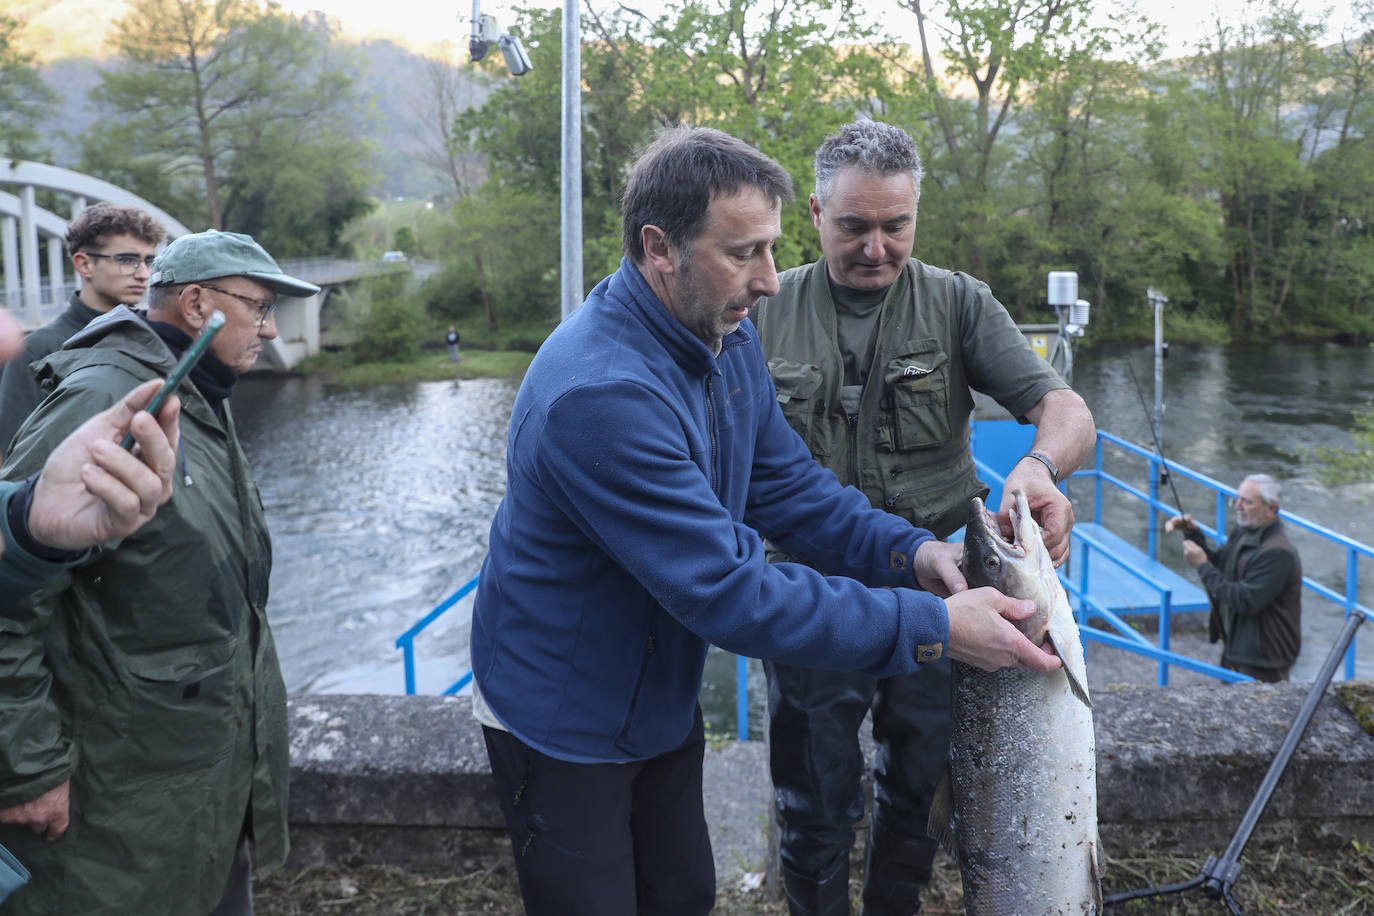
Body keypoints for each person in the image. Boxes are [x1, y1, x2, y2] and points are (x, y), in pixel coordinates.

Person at [468, 125, 1063, 916]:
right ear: (659, 248)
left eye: (773, 249)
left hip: (655, 690)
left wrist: (915, 553)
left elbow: (789, 489)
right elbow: (730, 592)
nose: (772, 282)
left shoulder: (722, 333)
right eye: (744, 252)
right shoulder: (602, 400)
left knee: (681, 894)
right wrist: (935, 624)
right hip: (562, 714)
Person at [752, 118, 1096, 916]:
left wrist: (1038, 468)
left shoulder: (958, 303)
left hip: (951, 593)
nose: (876, 246)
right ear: (813, 212)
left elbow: (1063, 406)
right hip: (815, 600)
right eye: (854, 227)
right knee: (812, 800)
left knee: (920, 787)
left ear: (915, 216)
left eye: (895, 226)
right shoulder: (764, 310)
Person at [0, 228, 319, 916]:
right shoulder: (104, 402)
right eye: (258, 307)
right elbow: (9, 591)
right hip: (112, 820)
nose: (268, 327)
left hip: (192, 799)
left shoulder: (202, 395)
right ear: (197, 302)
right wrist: (25, 768)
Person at [0, 203, 166, 451]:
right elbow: (12, 452)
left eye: (149, 261)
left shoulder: (155, 338)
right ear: (84, 264)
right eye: (127, 260)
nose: (143, 273)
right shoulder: (36, 350)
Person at [1166, 474, 1303, 682]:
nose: (1237, 506)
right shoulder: (1245, 531)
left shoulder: (1278, 553)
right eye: (1236, 499)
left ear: (1271, 509)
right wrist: (1193, 534)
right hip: (1236, 647)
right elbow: (1221, 566)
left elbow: (1245, 600)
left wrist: (1201, 564)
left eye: (1246, 502)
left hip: (1263, 659)